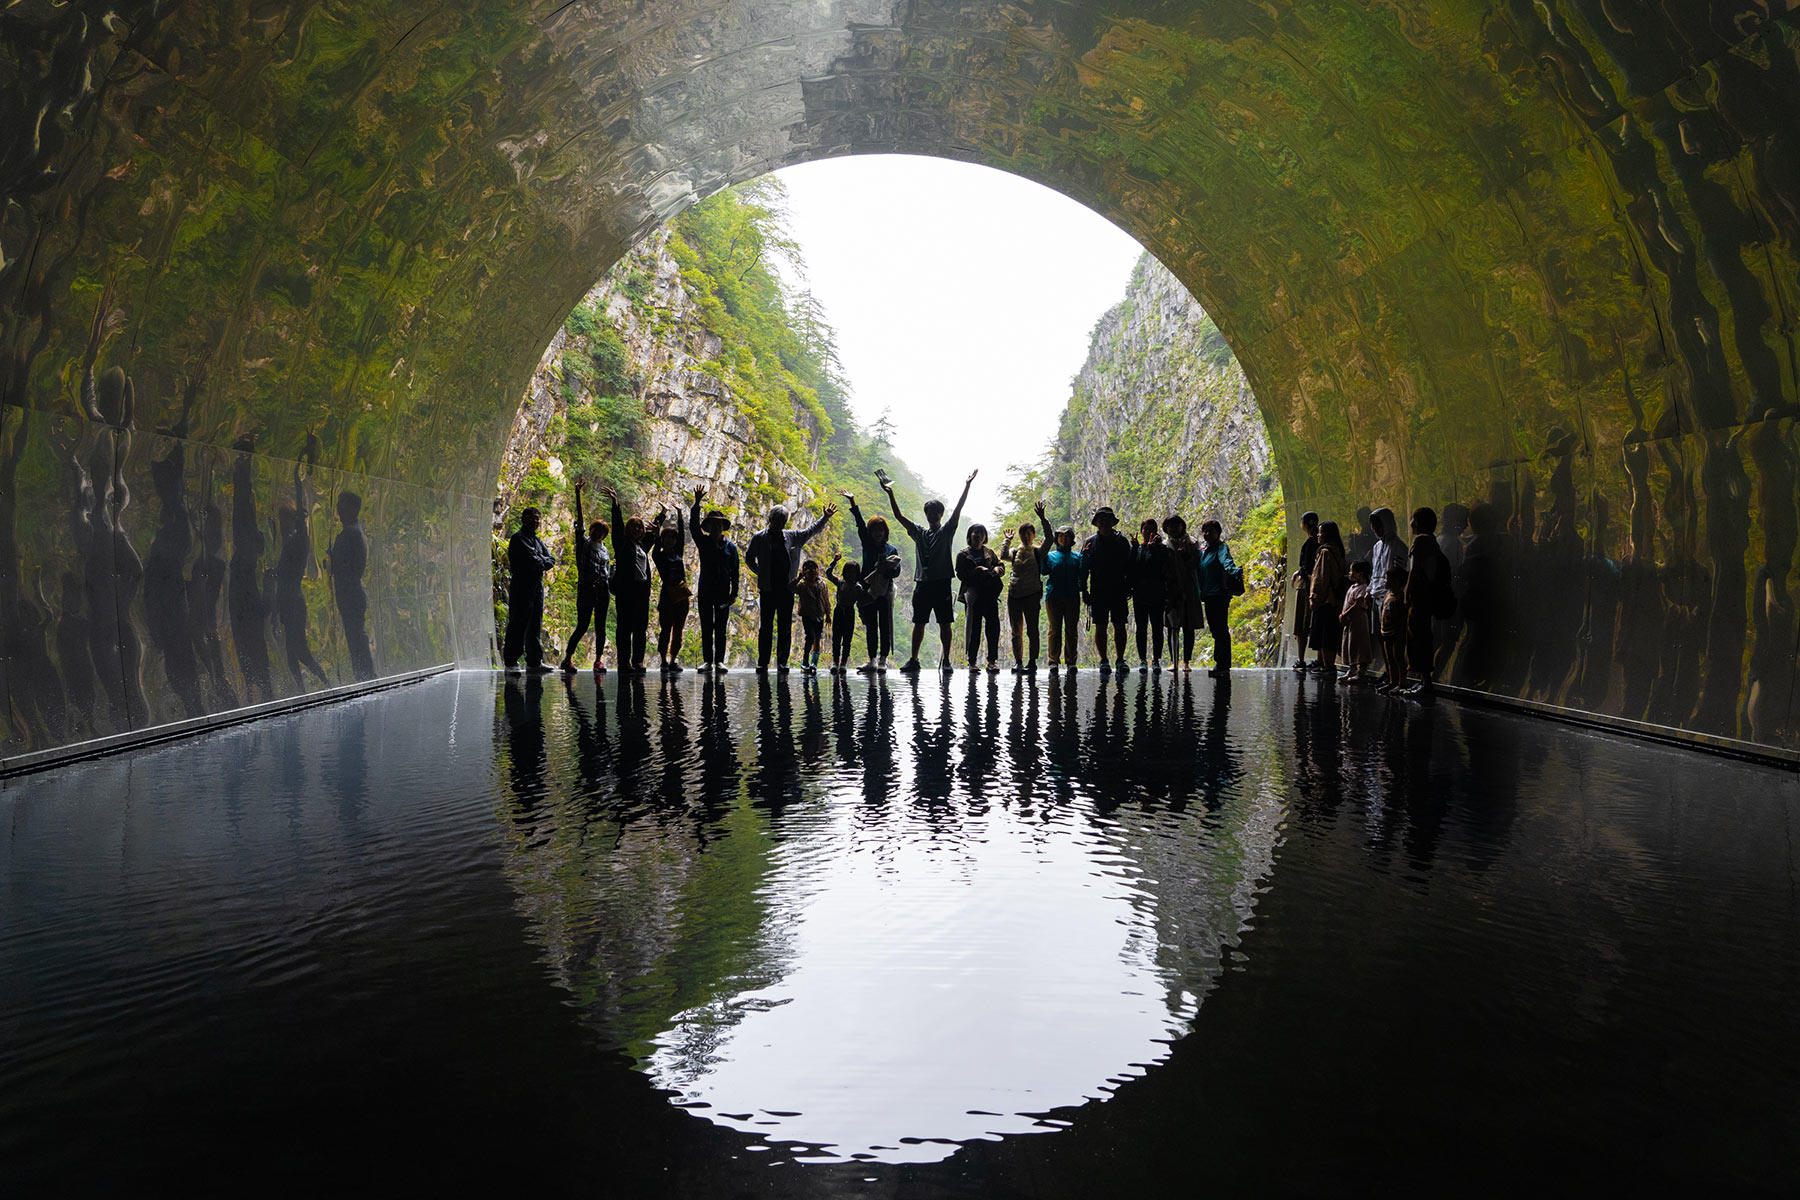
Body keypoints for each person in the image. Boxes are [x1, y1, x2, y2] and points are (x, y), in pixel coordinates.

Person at [885, 470, 975, 673]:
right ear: (926, 515)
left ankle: (946, 661)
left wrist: (967, 486)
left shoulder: (946, 531)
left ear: (941, 515)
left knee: (945, 623)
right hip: (923, 583)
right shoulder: (919, 532)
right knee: (919, 622)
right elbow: (899, 516)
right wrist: (890, 493)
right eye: (929, 512)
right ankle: (914, 659)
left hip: (942, 582)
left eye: (936, 512)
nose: (932, 515)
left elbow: (958, 510)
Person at [744, 500, 836, 673]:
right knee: (766, 627)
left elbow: (811, 531)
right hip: (768, 589)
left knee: (785, 627)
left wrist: (825, 517)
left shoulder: (792, 536)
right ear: (769, 519)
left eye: (782, 520)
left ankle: (782, 663)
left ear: (785, 522)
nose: (779, 523)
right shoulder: (759, 538)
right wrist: (761, 572)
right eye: (776, 520)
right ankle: (763, 662)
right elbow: (749, 558)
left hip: (787, 589)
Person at [276, 465, 332, 689]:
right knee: (293, 653)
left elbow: (301, 512)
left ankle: (324, 686)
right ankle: (305, 691)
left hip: (292, 602)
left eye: (283, 520)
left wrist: (296, 476)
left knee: (299, 652)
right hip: (288, 601)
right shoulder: (291, 542)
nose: (281, 525)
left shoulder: (298, 543)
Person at [844, 491, 903, 671]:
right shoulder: (867, 544)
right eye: (875, 530)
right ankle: (872, 660)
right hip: (867, 591)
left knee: (884, 625)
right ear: (871, 532)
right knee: (870, 626)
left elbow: (897, 571)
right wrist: (853, 502)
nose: (878, 533)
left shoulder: (891, 548)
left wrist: (886, 570)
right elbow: (860, 525)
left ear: (885, 532)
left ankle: (883, 660)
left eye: (881, 530)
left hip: (884, 592)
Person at [602, 485, 658, 674]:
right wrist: (615, 504)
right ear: (628, 528)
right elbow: (617, 527)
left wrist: (662, 515)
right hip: (626, 590)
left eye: (639, 526)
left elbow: (654, 533)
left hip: (642, 591)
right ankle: (624, 661)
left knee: (641, 627)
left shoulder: (643, 546)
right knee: (624, 627)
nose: (636, 528)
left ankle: (638, 661)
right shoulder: (622, 544)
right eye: (632, 525)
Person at [560, 482, 611, 673]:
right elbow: (580, 523)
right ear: (591, 531)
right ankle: (567, 659)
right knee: (582, 625)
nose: (597, 533)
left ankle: (598, 661)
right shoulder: (583, 543)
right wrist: (577, 494)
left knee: (601, 627)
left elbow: (606, 571)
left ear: (604, 535)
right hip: (586, 588)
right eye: (595, 529)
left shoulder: (605, 550)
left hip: (603, 590)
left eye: (601, 531)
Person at [689, 487, 740, 673]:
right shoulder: (703, 542)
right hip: (705, 590)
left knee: (720, 627)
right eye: (713, 524)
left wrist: (734, 593)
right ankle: (708, 661)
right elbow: (693, 528)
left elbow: (735, 571)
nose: (716, 527)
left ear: (722, 527)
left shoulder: (731, 547)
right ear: (708, 527)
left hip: (723, 592)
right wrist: (696, 504)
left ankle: (719, 661)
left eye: (719, 524)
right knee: (706, 626)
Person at [1402, 506, 1451, 696]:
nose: (1411, 523)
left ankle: (1425, 682)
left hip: (1420, 599)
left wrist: (1407, 594)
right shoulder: (1433, 542)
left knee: (1419, 637)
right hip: (1428, 597)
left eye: (1413, 519)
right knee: (1424, 636)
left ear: (1419, 522)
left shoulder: (1420, 541)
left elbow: (1414, 571)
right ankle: (1424, 680)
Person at [503, 503, 556, 673]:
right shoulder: (518, 538)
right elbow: (534, 561)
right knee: (518, 623)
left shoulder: (537, 539)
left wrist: (541, 560)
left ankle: (534, 661)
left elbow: (550, 559)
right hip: (521, 586)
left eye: (537, 519)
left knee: (535, 624)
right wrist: (541, 560)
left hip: (536, 587)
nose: (535, 522)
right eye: (532, 518)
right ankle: (511, 661)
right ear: (523, 519)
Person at [1080, 505, 1133, 672]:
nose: (1104, 522)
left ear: (1112, 521)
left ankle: (1120, 659)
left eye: (1107, 519)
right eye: (1101, 520)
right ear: (1097, 523)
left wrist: (1129, 586)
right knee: (1100, 625)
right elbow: (1083, 569)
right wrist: (1084, 590)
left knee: (1120, 624)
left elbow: (1129, 565)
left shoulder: (1122, 541)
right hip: (1098, 589)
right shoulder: (1089, 543)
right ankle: (1104, 660)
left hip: (1118, 588)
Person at [329, 490, 375, 681]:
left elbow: (347, 566)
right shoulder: (355, 532)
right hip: (352, 594)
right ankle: (364, 676)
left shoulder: (350, 534)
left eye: (341, 505)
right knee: (356, 636)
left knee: (356, 637)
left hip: (351, 595)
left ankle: (365, 677)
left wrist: (332, 560)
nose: (338, 509)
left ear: (352, 508)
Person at [1001, 512, 1050, 673]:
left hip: (1032, 594)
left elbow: (1050, 539)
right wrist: (1007, 540)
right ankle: (1018, 662)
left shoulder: (1038, 552)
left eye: (1029, 533)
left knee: (1032, 629)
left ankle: (1032, 662)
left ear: (1034, 535)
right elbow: (1003, 555)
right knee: (1016, 631)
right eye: (1023, 534)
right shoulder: (1015, 552)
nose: (1026, 536)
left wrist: (1043, 519)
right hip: (1014, 594)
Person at [955, 523, 1005, 673]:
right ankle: (972, 662)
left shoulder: (989, 552)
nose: (978, 536)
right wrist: (976, 571)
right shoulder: (963, 554)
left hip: (990, 595)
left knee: (993, 629)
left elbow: (1000, 566)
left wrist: (997, 569)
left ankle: (992, 661)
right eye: (975, 532)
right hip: (973, 597)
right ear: (970, 534)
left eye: (981, 533)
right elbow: (960, 574)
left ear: (985, 537)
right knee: (973, 628)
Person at [1195, 518, 1241, 677]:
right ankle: (1221, 664)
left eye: (1211, 531)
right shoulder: (1204, 551)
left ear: (1218, 533)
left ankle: (1222, 665)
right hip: (1208, 595)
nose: (1207, 534)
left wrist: (1235, 571)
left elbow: (1226, 562)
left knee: (1220, 629)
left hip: (1219, 595)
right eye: (1205, 531)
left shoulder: (1221, 548)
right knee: (1216, 630)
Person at [1161, 515, 1203, 671]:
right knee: (1172, 627)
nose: (1173, 528)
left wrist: (1185, 556)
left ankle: (1186, 661)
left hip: (1189, 589)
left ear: (1182, 526)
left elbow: (1196, 564)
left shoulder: (1192, 543)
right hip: (1171, 590)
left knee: (1188, 626)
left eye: (1176, 525)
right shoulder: (1164, 545)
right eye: (1170, 526)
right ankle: (1175, 661)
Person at [1043, 512, 1084, 671]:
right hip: (1053, 596)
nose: (1064, 539)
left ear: (1071, 539)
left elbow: (1082, 574)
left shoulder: (1077, 557)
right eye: (1061, 536)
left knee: (1071, 629)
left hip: (1072, 596)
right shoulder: (1051, 556)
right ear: (1057, 539)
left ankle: (1071, 661)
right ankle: (1053, 660)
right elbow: (1044, 571)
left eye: (1067, 536)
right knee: (1055, 629)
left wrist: (1085, 558)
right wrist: (1044, 556)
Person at [1129, 518, 1170, 671]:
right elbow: (1131, 568)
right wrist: (1133, 548)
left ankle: (1156, 660)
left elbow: (1162, 566)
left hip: (1157, 594)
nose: (1148, 532)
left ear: (1156, 532)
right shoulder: (1137, 548)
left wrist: (1154, 548)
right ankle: (1142, 660)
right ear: (1141, 532)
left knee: (1157, 628)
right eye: (1145, 530)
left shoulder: (1161, 549)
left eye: (1151, 530)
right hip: (1139, 594)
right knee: (1141, 628)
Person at [653, 507, 690, 673]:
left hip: (681, 594)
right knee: (665, 629)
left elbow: (682, 536)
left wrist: (681, 516)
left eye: (672, 537)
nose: (670, 540)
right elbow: (655, 542)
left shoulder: (679, 553)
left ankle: (673, 660)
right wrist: (660, 519)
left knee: (678, 630)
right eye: (666, 537)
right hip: (667, 594)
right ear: (662, 540)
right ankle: (663, 660)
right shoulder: (658, 556)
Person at [1308, 521, 1347, 676]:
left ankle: (1328, 667)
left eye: (1320, 532)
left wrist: (1315, 598)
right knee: (1328, 632)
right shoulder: (1337, 550)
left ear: (1327, 534)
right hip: (1333, 599)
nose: (1318, 535)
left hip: (1325, 599)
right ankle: (1326, 665)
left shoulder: (1325, 552)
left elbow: (1321, 578)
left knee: (1325, 633)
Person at [825, 554, 869, 673]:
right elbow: (828, 573)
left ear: (857, 574)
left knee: (847, 639)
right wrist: (834, 561)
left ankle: (843, 663)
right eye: (849, 572)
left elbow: (861, 604)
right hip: (839, 611)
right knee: (836, 638)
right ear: (845, 572)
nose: (851, 575)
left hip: (849, 612)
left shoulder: (858, 588)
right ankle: (835, 662)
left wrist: (863, 617)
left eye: (853, 572)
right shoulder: (840, 583)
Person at [1289, 511, 1320, 672]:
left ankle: (1301, 659)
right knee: (1315, 622)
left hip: (1307, 586)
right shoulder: (1319, 542)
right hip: (1313, 585)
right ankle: (1319, 659)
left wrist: (1302, 575)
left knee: (1302, 623)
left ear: (1305, 524)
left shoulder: (1310, 543)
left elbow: (1308, 568)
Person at [1338, 559, 1374, 683]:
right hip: (1350, 621)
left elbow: (1358, 604)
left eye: (1352, 571)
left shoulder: (1364, 588)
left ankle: (1362, 671)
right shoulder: (1353, 587)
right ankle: (1352, 668)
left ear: (1361, 574)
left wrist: (1345, 614)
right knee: (1349, 644)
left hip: (1358, 620)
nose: (1350, 573)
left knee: (1359, 644)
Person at [794, 557, 831, 674]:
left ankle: (814, 663)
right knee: (810, 636)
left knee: (817, 639)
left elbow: (826, 599)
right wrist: (798, 578)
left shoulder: (822, 584)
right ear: (804, 571)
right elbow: (790, 588)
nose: (810, 571)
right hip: (807, 614)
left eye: (813, 568)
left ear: (817, 570)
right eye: (807, 569)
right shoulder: (802, 585)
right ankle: (805, 661)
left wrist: (828, 614)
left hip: (819, 614)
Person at [1379, 564, 1409, 693]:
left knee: (1398, 658)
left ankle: (1401, 683)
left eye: (1387, 579)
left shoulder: (1400, 597)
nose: (1385, 581)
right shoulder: (1388, 594)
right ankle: (1392, 681)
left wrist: (1401, 631)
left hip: (1396, 633)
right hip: (1386, 632)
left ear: (1396, 582)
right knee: (1390, 658)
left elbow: (1402, 617)